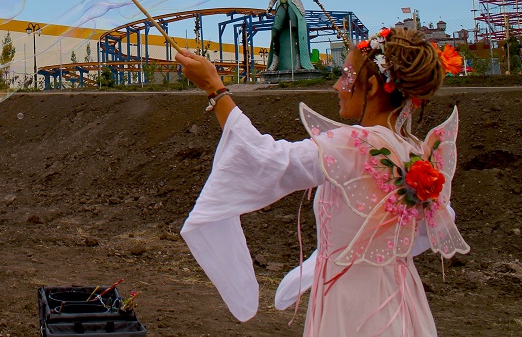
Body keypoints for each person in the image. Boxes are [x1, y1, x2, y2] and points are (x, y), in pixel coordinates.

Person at [176, 26, 469, 335]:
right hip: (404, 298)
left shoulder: (353, 147)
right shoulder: (419, 157)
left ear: (370, 86)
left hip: (352, 306)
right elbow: (436, 223)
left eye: (345, 75)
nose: (336, 86)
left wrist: (215, 89)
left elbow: (267, 159)